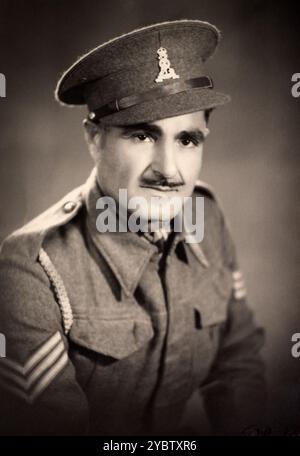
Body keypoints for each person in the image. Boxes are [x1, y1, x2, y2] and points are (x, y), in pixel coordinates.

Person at [0, 19, 266, 435]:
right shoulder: (31, 269)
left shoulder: (207, 219)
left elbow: (237, 362)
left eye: (187, 140)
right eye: (142, 136)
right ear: (94, 139)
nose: (168, 170)